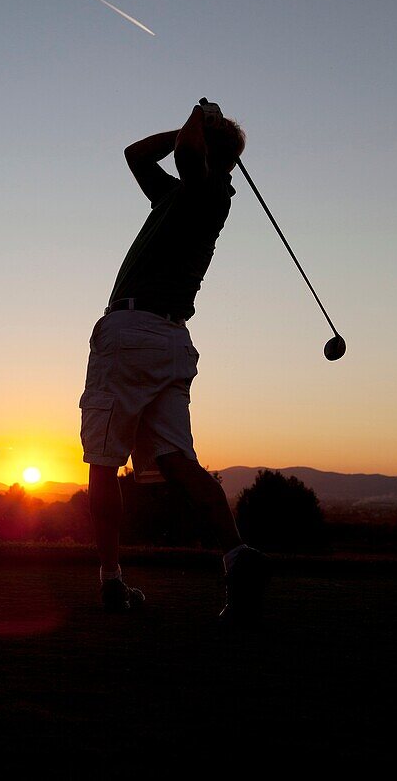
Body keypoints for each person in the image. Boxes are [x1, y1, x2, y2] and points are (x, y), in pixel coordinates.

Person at [79, 98, 270, 622]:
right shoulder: (181, 196)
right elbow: (136, 155)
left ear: (210, 154)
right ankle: (237, 555)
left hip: (132, 332)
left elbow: (185, 150)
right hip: (167, 342)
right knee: (176, 461)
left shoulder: (207, 192)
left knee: (102, 459)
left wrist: (197, 117)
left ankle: (111, 582)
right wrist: (194, 127)